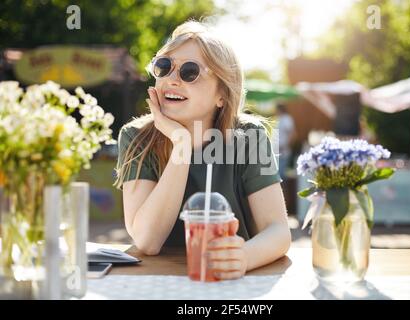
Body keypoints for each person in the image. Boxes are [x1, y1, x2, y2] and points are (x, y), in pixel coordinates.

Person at [113, 21, 291, 280]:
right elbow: (147, 241)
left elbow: (278, 231)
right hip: (159, 283)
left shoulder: (249, 136)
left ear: (222, 94)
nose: (171, 80)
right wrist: (181, 145)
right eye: (164, 67)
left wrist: (244, 257)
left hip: (229, 282)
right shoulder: (136, 137)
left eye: (189, 72)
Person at [273, 103, 296, 180]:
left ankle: (282, 191)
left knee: (280, 175)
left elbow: (292, 134)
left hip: (283, 151)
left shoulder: (287, 119)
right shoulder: (278, 118)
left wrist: (285, 146)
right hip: (276, 150)